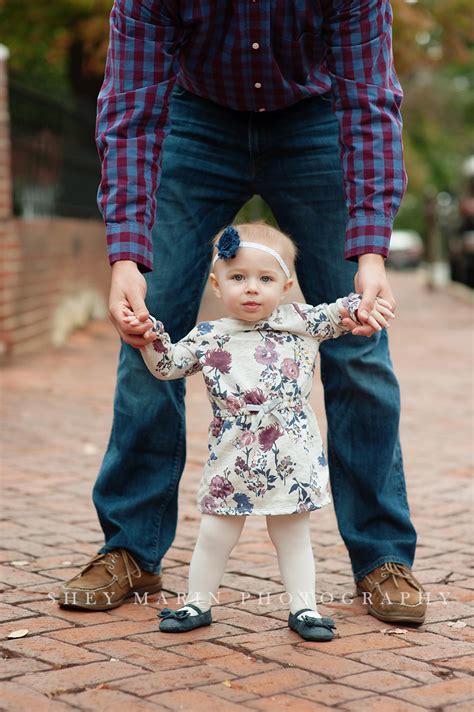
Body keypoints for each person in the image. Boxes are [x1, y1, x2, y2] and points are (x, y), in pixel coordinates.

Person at [59, 0, 427, 625]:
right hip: (193, 118)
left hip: (314, 119)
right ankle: (130, 547)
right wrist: (126, 257)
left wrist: (369, 252)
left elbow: (369, 103)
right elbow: (130, 108)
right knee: (145, 333)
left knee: (360, 344)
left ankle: (383, 557)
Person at [131, 222, 394, 641]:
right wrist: (149, 338)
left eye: (265, 278)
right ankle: (198, 602)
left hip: (289, 453)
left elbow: (342, 313)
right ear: (216, 286)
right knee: (215, 532)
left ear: (286, 285)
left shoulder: (302, 321)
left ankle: (304, 608)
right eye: (238, 277)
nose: (251, 288)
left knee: (291, 534)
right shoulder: (208, 335)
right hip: (232, 452)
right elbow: (168, 366)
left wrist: (364, 305)